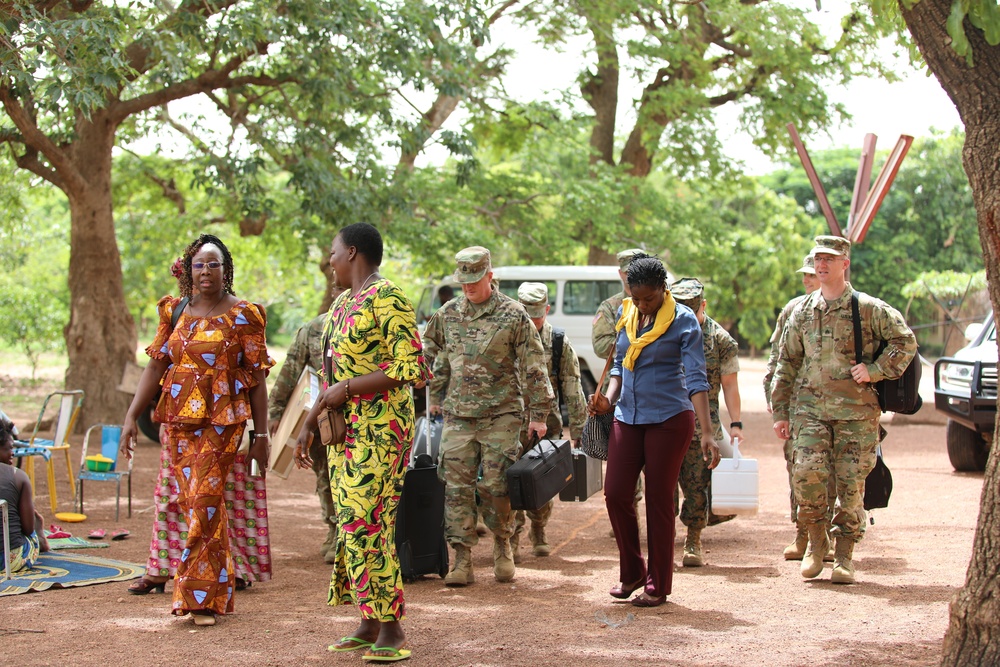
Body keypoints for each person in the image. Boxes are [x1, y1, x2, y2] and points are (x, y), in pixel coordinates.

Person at [120, 234, 273, 626]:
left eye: (214, 264)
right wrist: (130, 417)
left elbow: (256, 379)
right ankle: (216, 589)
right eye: (200, 264)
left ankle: (197, 599)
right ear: (189, 270)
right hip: (179, 425)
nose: (206, 271)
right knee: (198, 506)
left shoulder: (245, 315)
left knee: (205, 499)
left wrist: (261, 434)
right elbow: (155, 367)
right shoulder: (174, 311)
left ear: (226, 269)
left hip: (223, 423)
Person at [295, 222, 429, 661]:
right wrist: (309, 424)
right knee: (351, 520)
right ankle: (369, 621)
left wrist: (350, 389)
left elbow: (409, 367)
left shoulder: (387, 298)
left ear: (352, 253)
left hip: (382, 430)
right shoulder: (341, 304)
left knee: (367, 521)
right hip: (345, 433)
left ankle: (392, 629)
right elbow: (328, 375)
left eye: (332, 252)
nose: (328, 261)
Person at [771, 236, 916, 585]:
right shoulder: (802, 310)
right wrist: (779, 410)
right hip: (810, 412)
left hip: (856, 413)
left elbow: (905, 341)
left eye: (829, 259)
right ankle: (816, 543)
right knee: (806, 479)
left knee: (851, 488)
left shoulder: (867, 308)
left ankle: (845, 556)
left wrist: (876, 370)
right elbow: (787, 361)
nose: (821, 265)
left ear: (844, 264)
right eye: (817, 258)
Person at [588, 254, 718, 607]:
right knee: (615, 493)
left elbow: (696, 379)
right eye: (636, 297)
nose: (642, 305)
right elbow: (619, 366)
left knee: (659, 502)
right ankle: (632, 571)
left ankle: (657, 583)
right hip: (627, 416)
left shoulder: (683, 321)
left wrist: (707, 432)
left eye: (649, 298)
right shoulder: (626, 313)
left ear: (664, 289)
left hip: (669, 419)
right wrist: (607, 400)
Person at [422, 246, 554, 587]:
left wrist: (539, 413)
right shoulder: (448, 313)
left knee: (496, 485)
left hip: (502, 414)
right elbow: (426, 353)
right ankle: (461, 558)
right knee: (456, 487)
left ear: (490, 277)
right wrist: (428, 390)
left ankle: (502, 542)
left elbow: (534, 364)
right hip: (459, 416)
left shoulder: (514, 315)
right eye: (463, 281)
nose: (468, 287)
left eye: (475, 280)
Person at [763, 254, 835, 561]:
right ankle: (803, 535)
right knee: (800, 472)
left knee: (832, 473)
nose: (807, 279)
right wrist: (773, 397)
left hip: (838, 406)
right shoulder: (793, 309)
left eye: (812, 274)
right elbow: (778, 358)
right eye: (804, 275)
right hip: (798, 406)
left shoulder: (850, 306)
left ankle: (827, 537)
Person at [511, 282, 588, 562]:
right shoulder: (506, 335)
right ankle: (512, 536)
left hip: (547, 425)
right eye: (526, 314)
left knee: (541, 481)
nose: (532, 320)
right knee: (508, 482)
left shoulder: (557, 341)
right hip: (510, 424)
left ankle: (539, 529)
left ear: (547, 309)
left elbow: (573, 386)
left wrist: (579, 428)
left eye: (537, 314)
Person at [670, 278, 742, 568]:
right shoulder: (661, 331)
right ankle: (663, 533)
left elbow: (730, 385)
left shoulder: (720, 340)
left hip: (702, 425)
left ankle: (693, 538)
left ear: (704, 306)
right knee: (661, 484)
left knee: (696, 484)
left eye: (692, 311)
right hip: (664, 419)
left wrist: (736, 423)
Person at [269, 311, 339, 564]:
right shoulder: (313, 328)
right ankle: (334, 529)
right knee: (325, 474)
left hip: (361, 416)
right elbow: (291, 368)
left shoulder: (368, 320)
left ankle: (347, 534)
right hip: (322, 419)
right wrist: (276, 409)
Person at [592, 248, 645, 537]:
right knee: (624, 461)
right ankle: (630, 518)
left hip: (653, 391)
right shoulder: (611, 307)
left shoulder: (662, 301)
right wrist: (627, 337)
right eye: (626, 272)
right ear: (620, 274)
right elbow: (601, 345)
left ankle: (666, 525)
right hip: (620, 391)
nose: (630, 277)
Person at [1, 415, 49, 573]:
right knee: (31, 534)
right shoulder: (18, 476)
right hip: (9, 560)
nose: (13, 453)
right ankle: (40, 536)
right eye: (9, 448)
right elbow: (28, 529)